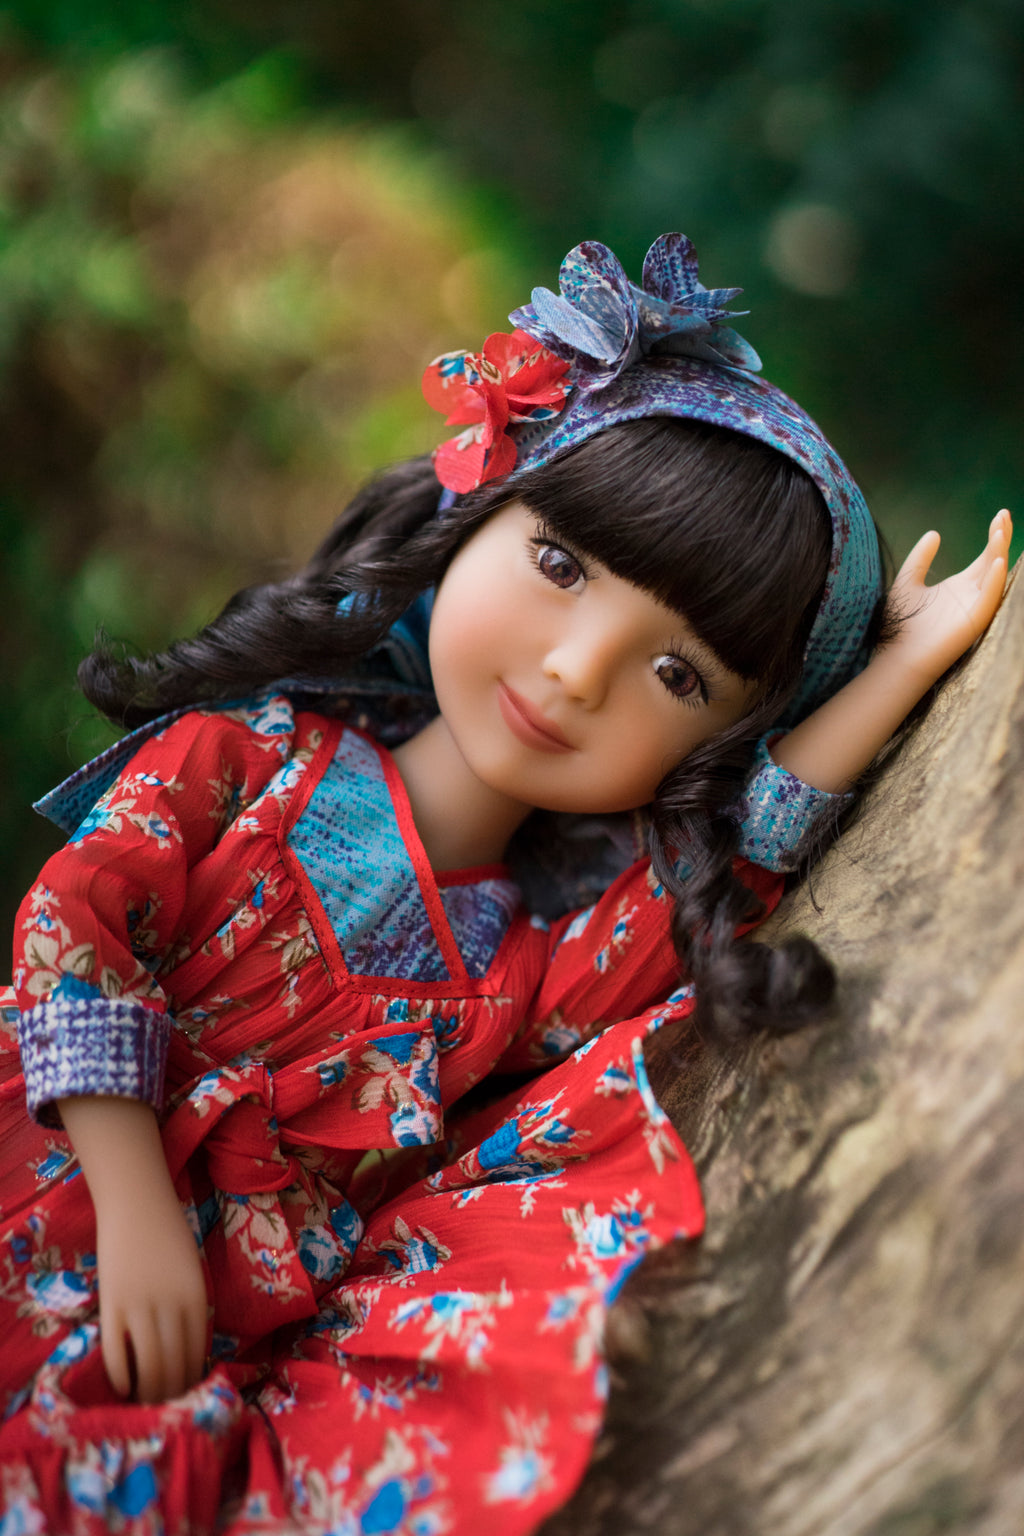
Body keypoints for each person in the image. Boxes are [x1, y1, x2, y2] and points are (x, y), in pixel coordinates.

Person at [0, 233, 1010, 1534]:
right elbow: (74, 924)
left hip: (191, 1375)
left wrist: (886, 682)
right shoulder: (239, 763)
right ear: (479, 506)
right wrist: (133, 1195)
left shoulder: (529, 968)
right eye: (559, 566)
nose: (576, 671)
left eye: (678, 676)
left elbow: (743, 855)